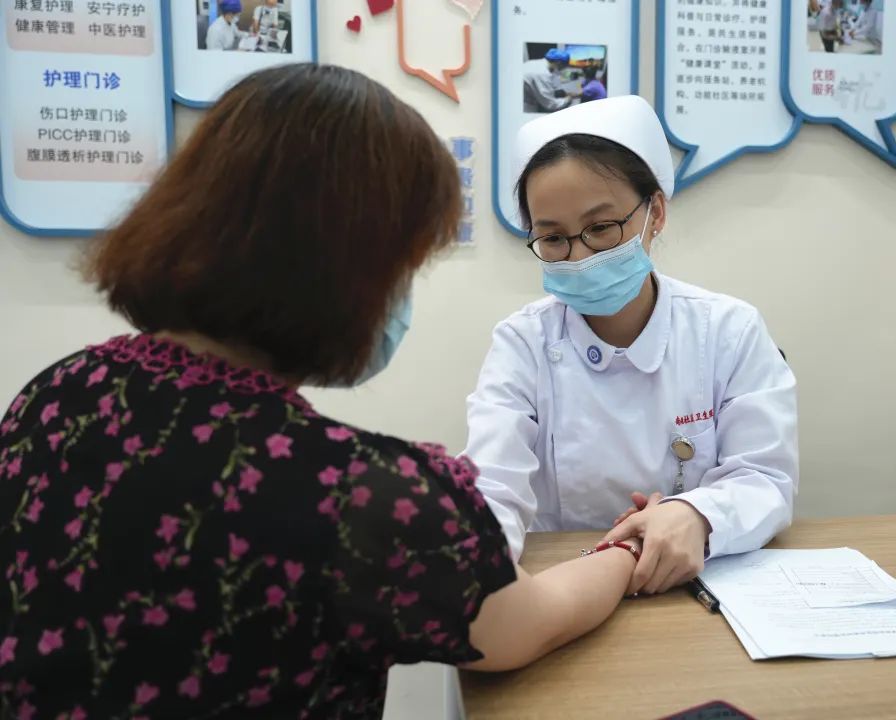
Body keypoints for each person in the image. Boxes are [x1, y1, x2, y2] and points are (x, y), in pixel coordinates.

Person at [0, 65, 644, 719]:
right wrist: (628, 549)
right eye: (403, 267)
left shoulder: (55, 397)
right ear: (345, 268)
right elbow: (521, 626)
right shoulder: (362, 494)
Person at [464, 95, 798, 597]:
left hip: (694, 582)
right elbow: (490, 485)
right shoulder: (522, 343)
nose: (579, 256)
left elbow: (766, 478)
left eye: (601, 228)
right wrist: (475, 570)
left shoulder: (728, 330)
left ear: (654, 213)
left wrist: (698, 514)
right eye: (553, 238)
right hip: (565, 584)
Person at [523, 48, 580, 114]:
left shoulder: (533, 63)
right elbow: (551, 105)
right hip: (526, 106)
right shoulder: (543, 73)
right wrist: (568, 98)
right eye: (564, 66)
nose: (563, 69)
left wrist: (557, 92)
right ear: (558, 62)